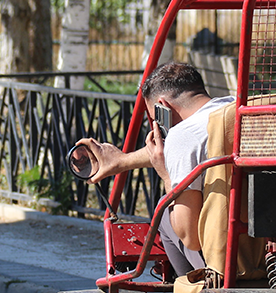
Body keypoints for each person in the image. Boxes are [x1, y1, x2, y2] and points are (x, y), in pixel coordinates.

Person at [75, 63, 234, 275]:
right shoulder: (233, 112)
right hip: (273, 253)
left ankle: (189, 292)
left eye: (156, 118)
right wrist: (123, 160)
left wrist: (167, 176)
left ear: (162, 107)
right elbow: (185, 150)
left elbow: (190, 239)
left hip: (228, 261)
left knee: (164, 208)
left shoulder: (183, 135)